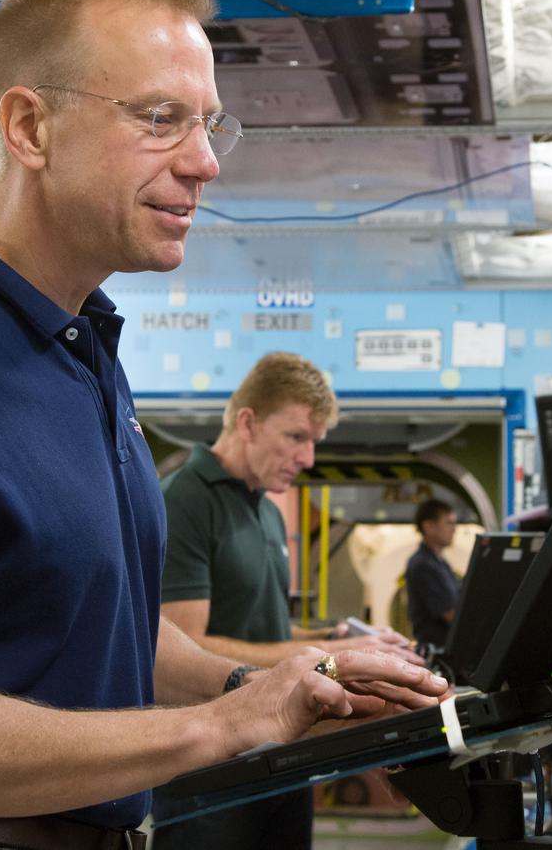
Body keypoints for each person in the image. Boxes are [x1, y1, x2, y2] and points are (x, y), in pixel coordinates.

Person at [0, 0, 447, 850]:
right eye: (159, 118)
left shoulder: (80, 347)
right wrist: (218, 729)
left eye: (208, 125)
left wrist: (282, 684)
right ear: (30, 126)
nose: (204, 162)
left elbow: (109, 632)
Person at [154, 351, 421, 849]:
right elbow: (184, 646)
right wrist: (332, 662)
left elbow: (266, 631)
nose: (308, 458)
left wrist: (335, 637)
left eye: (315, 442)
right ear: (248, 422)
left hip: (281, 754)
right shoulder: (185, 500)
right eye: (296, 437)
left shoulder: (267, 512)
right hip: (212, 768)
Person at [404, 499, 463, 649]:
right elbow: (451, 614)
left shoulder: (440, 563)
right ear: (429, 526)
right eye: (448, 523)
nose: (454, 529)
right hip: (437, 649)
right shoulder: (423, 565)